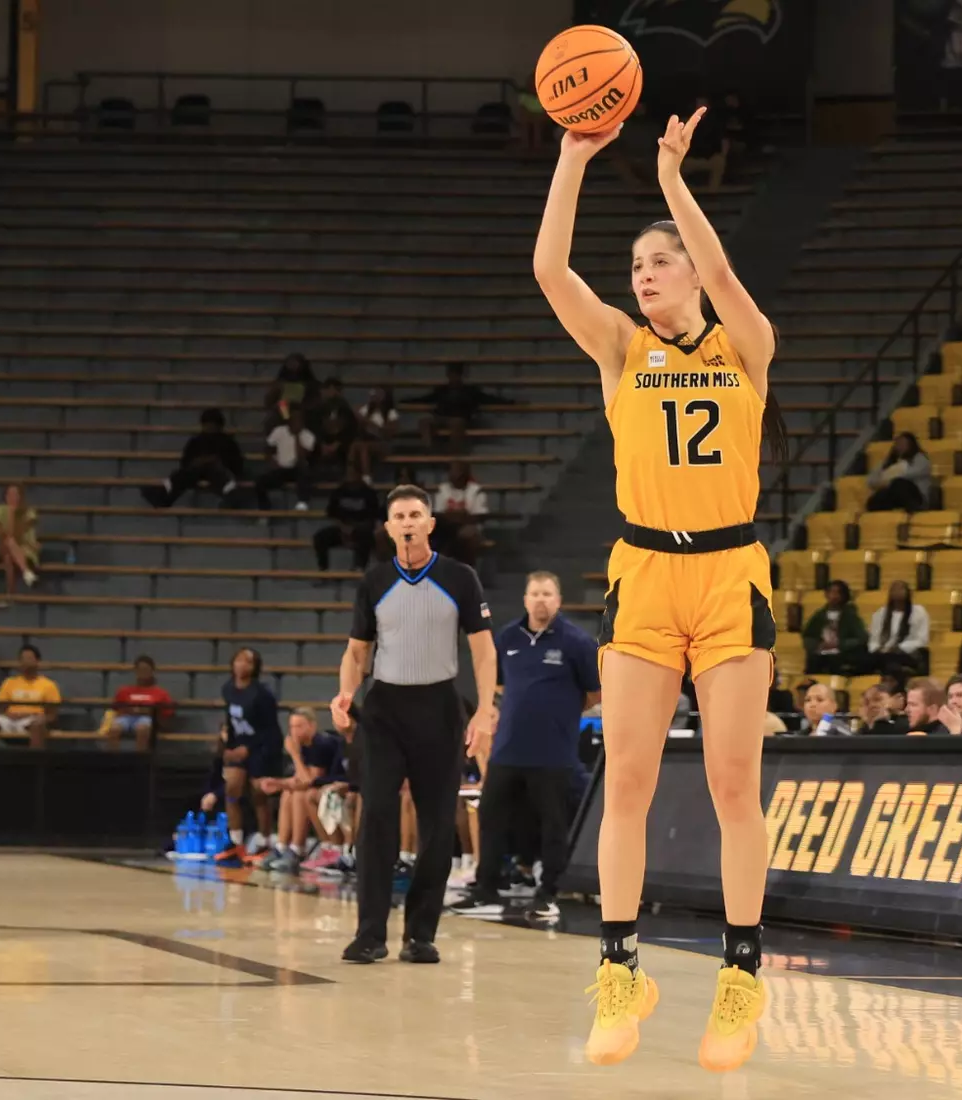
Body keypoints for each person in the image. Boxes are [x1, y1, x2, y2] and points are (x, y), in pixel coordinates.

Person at [535, 105, 787, 1071]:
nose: (643, 277)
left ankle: (739, 978)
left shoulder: (744, 346)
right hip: (643, 569)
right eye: (636, 266)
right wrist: (571, 158)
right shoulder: (619, 350)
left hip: (729, 573)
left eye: (658, 262)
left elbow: (727, 276)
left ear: (693, 275)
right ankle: (618, 970)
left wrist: (676, 181)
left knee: (732, 783)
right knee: (628, 781)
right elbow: (551, 273)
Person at [333, 486, 496, 966]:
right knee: (377, 818)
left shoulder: (460, 578)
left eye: (415, 514)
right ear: (387, 528)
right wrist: (346, 692)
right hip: (384, 709)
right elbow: (357, 652)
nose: (407, 522)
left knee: (437, 826)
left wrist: (485, 709)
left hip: (440, 708)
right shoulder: (374, 581)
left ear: (430, 523)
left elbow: (483, 650)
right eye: (398, 515)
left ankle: (420, 934)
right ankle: (370, 934)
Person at [451, 572, 599, 920]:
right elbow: (497, 684)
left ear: (558, 600)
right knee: (490, 814)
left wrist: (562, 710)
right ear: (525, 599)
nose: (541, 600)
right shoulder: (508, 637)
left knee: (553, 824)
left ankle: (548, 893)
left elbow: (596, 692)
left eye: (547, 594)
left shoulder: (577, 642)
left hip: (554, 752)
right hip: (509, 748)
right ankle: (486, 887)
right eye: (535, 594)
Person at [256, 708, 347, 873]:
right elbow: (299, 779)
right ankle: (282, 847)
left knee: (300, 795)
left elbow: (309, 781)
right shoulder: (303, 745)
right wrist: (277, 783)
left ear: (312, 726)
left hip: (340, 785)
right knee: (288, 793)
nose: (294, 731)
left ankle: (298, 849)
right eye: (291, 727)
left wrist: (295, 755)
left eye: (299, 726)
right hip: (319, 787)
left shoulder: (322, 744)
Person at [219, 647, 284, 861]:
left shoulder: (262, 694)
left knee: (259, 794)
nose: (242, 665)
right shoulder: (228, 689)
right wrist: (228, 747)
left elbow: (270, 730)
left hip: (262, 747)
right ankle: (236, 840)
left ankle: (265, 841)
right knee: (232, 787)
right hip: (239, 745)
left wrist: (248, 748)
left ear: (255, 667)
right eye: (239, 660)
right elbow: (230, 721)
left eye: (248, 662)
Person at [142, 410, 244, 509]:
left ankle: (232, 496)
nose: (209, 429)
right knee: (182, 474)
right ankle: (163, 495)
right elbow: (185, 462)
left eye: (212, 426)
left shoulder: (228, 443)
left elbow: (236, 465)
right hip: (196, 472)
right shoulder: (196, 441)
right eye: (207, 425)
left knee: (217, 471)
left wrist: (214, 462)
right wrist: (199, 462)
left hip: (219, 473)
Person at [417, 362, 513, 455]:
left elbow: (489, 399)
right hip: (441, 417)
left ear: (461, 376)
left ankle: (454, 453)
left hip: (460, 418)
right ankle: (428, 449)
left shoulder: (470, 391)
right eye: (452, 375)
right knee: (424, 422)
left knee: (456, 423)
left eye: (456, 375)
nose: (454, 378)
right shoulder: (441, 390)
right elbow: (426, 399)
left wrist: (511, 402)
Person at [313, 449, 383, 573]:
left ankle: (359, 567)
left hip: (361, 528)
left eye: (352, 473)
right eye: (347, 473)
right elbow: (332, 513)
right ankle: (323, 568)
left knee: (365, 536)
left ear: (358, 474)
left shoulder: (369, 493)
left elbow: (372, 518)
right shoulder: (339, 491)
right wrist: (343, 527)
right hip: (342, 528)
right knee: (320, 537)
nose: (349, 475)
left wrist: (353, 529)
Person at [0, 644, 59, 750]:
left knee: (38, 725)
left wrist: (33, 716)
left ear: (38, 661)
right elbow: (0, 708)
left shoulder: (48, 685)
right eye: (22, 659)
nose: (25, 662)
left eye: (29, 658)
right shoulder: (9, 682)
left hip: (32, 720)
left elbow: (52, 714)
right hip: (10, 718)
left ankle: (34, 763)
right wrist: (9, 715)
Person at [99, 655, 174, 752]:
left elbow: (167, 713)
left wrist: (147, 712)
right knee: (114, 729)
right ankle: (114, 761)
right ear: (136, 671)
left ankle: (139, 761)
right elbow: (116, 708)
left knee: (142, 729)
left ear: (152, 671)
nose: (143, 673)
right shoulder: (124, 691)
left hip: (147, 719)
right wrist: (130, 710)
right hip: (126, 717)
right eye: (140, 669)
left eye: (146, 669)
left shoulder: (160, 693)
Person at [867, 580, 931, 680]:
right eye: (894, 589)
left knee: (892, 660)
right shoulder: (881, 613)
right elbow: (874, 639)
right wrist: (878, 648)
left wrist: (899, 647)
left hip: (908, 653)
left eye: (901, 588)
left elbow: (922, 640)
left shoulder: (919, 612)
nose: (897, 591)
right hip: (883, 653)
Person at [254, 408, 316, 512]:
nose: (297, 422)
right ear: (289, 420)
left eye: (299, 420)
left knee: (305, 472)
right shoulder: (279, 431)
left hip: (298, 468)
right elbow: (267, 448)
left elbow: (303, 457)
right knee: (260, 482)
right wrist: (271, 461)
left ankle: (302, 502)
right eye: (295, 419)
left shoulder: (308, 435)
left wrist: (297, 436)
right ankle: (264, 510)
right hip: (280, 468)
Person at [802, 580, 869, 675]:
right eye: (831, 592)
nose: (834, 596)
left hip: (843, 655)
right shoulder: (819, 616)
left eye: (837, 592)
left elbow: (861, 638)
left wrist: (840, 644)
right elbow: (808, 636)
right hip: (821, 654)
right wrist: (817, 645)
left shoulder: (850, 616)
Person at [431, 460, 491, 567]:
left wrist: (453, 516)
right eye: (453, 471)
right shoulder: (443, 489)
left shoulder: (476, 490)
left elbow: (479, 516)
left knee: (465, 536)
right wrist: (461, 516)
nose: (456, 475)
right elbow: (438, 515)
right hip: (447, 529)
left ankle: (468, 573)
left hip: (470, 529)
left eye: (459, 471)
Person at [0, 483, 42, 605]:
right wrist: (10, 513)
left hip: (26, 549)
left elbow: (19, 536)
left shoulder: (30, 513)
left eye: (17, 494)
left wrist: (14, 514)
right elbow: (2, 535)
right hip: (3, 546)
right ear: (5, 496)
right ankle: (27, 573)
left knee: (9, 555)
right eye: (10, 494)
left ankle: (10, 595)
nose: (14, 497)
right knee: (8, 542)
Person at [865, 433, 932, 512]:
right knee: (875, 499)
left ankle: (914, 511)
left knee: (899, 484)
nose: (900, 446)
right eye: (898, 444)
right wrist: (883, 480)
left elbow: (910, 474)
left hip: (916, 496)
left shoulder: (920, 458)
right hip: (893, 494)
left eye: (903, 443)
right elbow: (870, 480)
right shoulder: (888, 462)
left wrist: (887, 480)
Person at [264, 352, 315, 424]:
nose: (294, 366)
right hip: (283, 413)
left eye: (296, 363)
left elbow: (313, 403)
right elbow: (269, 402)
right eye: (291, 363)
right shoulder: (279, 383)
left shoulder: (311, 384)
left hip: (303, 414)